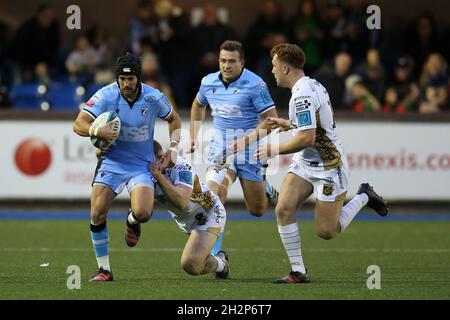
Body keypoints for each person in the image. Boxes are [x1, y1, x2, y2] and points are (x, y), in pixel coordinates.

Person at [252, 43, 388, 283]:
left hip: (329, 167)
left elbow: (307, 138)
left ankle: (364, 196)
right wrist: (289, 124)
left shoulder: (302, 95)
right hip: (305, 164)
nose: (272, 71)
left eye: (274, 66)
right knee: (283, 208)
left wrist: (272, 149)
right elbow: (313, 125)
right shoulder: (311, 85)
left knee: (326, 231)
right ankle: (298, 271)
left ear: (285, 68)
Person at [73, 53, 181, 282]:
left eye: (130, 79)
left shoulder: (153, 98)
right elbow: (79, 123)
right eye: (121, 79)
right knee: (97, 212)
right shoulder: (106, 94)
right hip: (112, 162)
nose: (125, 84)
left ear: (138, 78)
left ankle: (131, 221)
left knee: (143, 213)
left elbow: (175, 119)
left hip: (141, 164)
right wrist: (96, 131)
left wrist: (173, 149)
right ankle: (104, 270)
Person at [188, 40, 279, 254]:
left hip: (250, 150)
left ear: (242, 63)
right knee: (213, 195)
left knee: (257, 209)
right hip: (221, 148)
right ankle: (215, 254)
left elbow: (272, 120)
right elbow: (197, 105)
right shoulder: (208, 82)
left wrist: (243, 142)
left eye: (231, 61)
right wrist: (193, 135)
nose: (226, 65)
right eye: (222, 60)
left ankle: (264, 187)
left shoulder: (256, 85)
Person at [149, 140, 229, 278]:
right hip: (185, 220)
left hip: (208, 214)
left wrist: (158, 176)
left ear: (161, 158)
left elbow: (181, 201)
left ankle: (221, 264)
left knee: (190, 264)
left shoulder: (181, 166)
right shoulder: (141, 172)